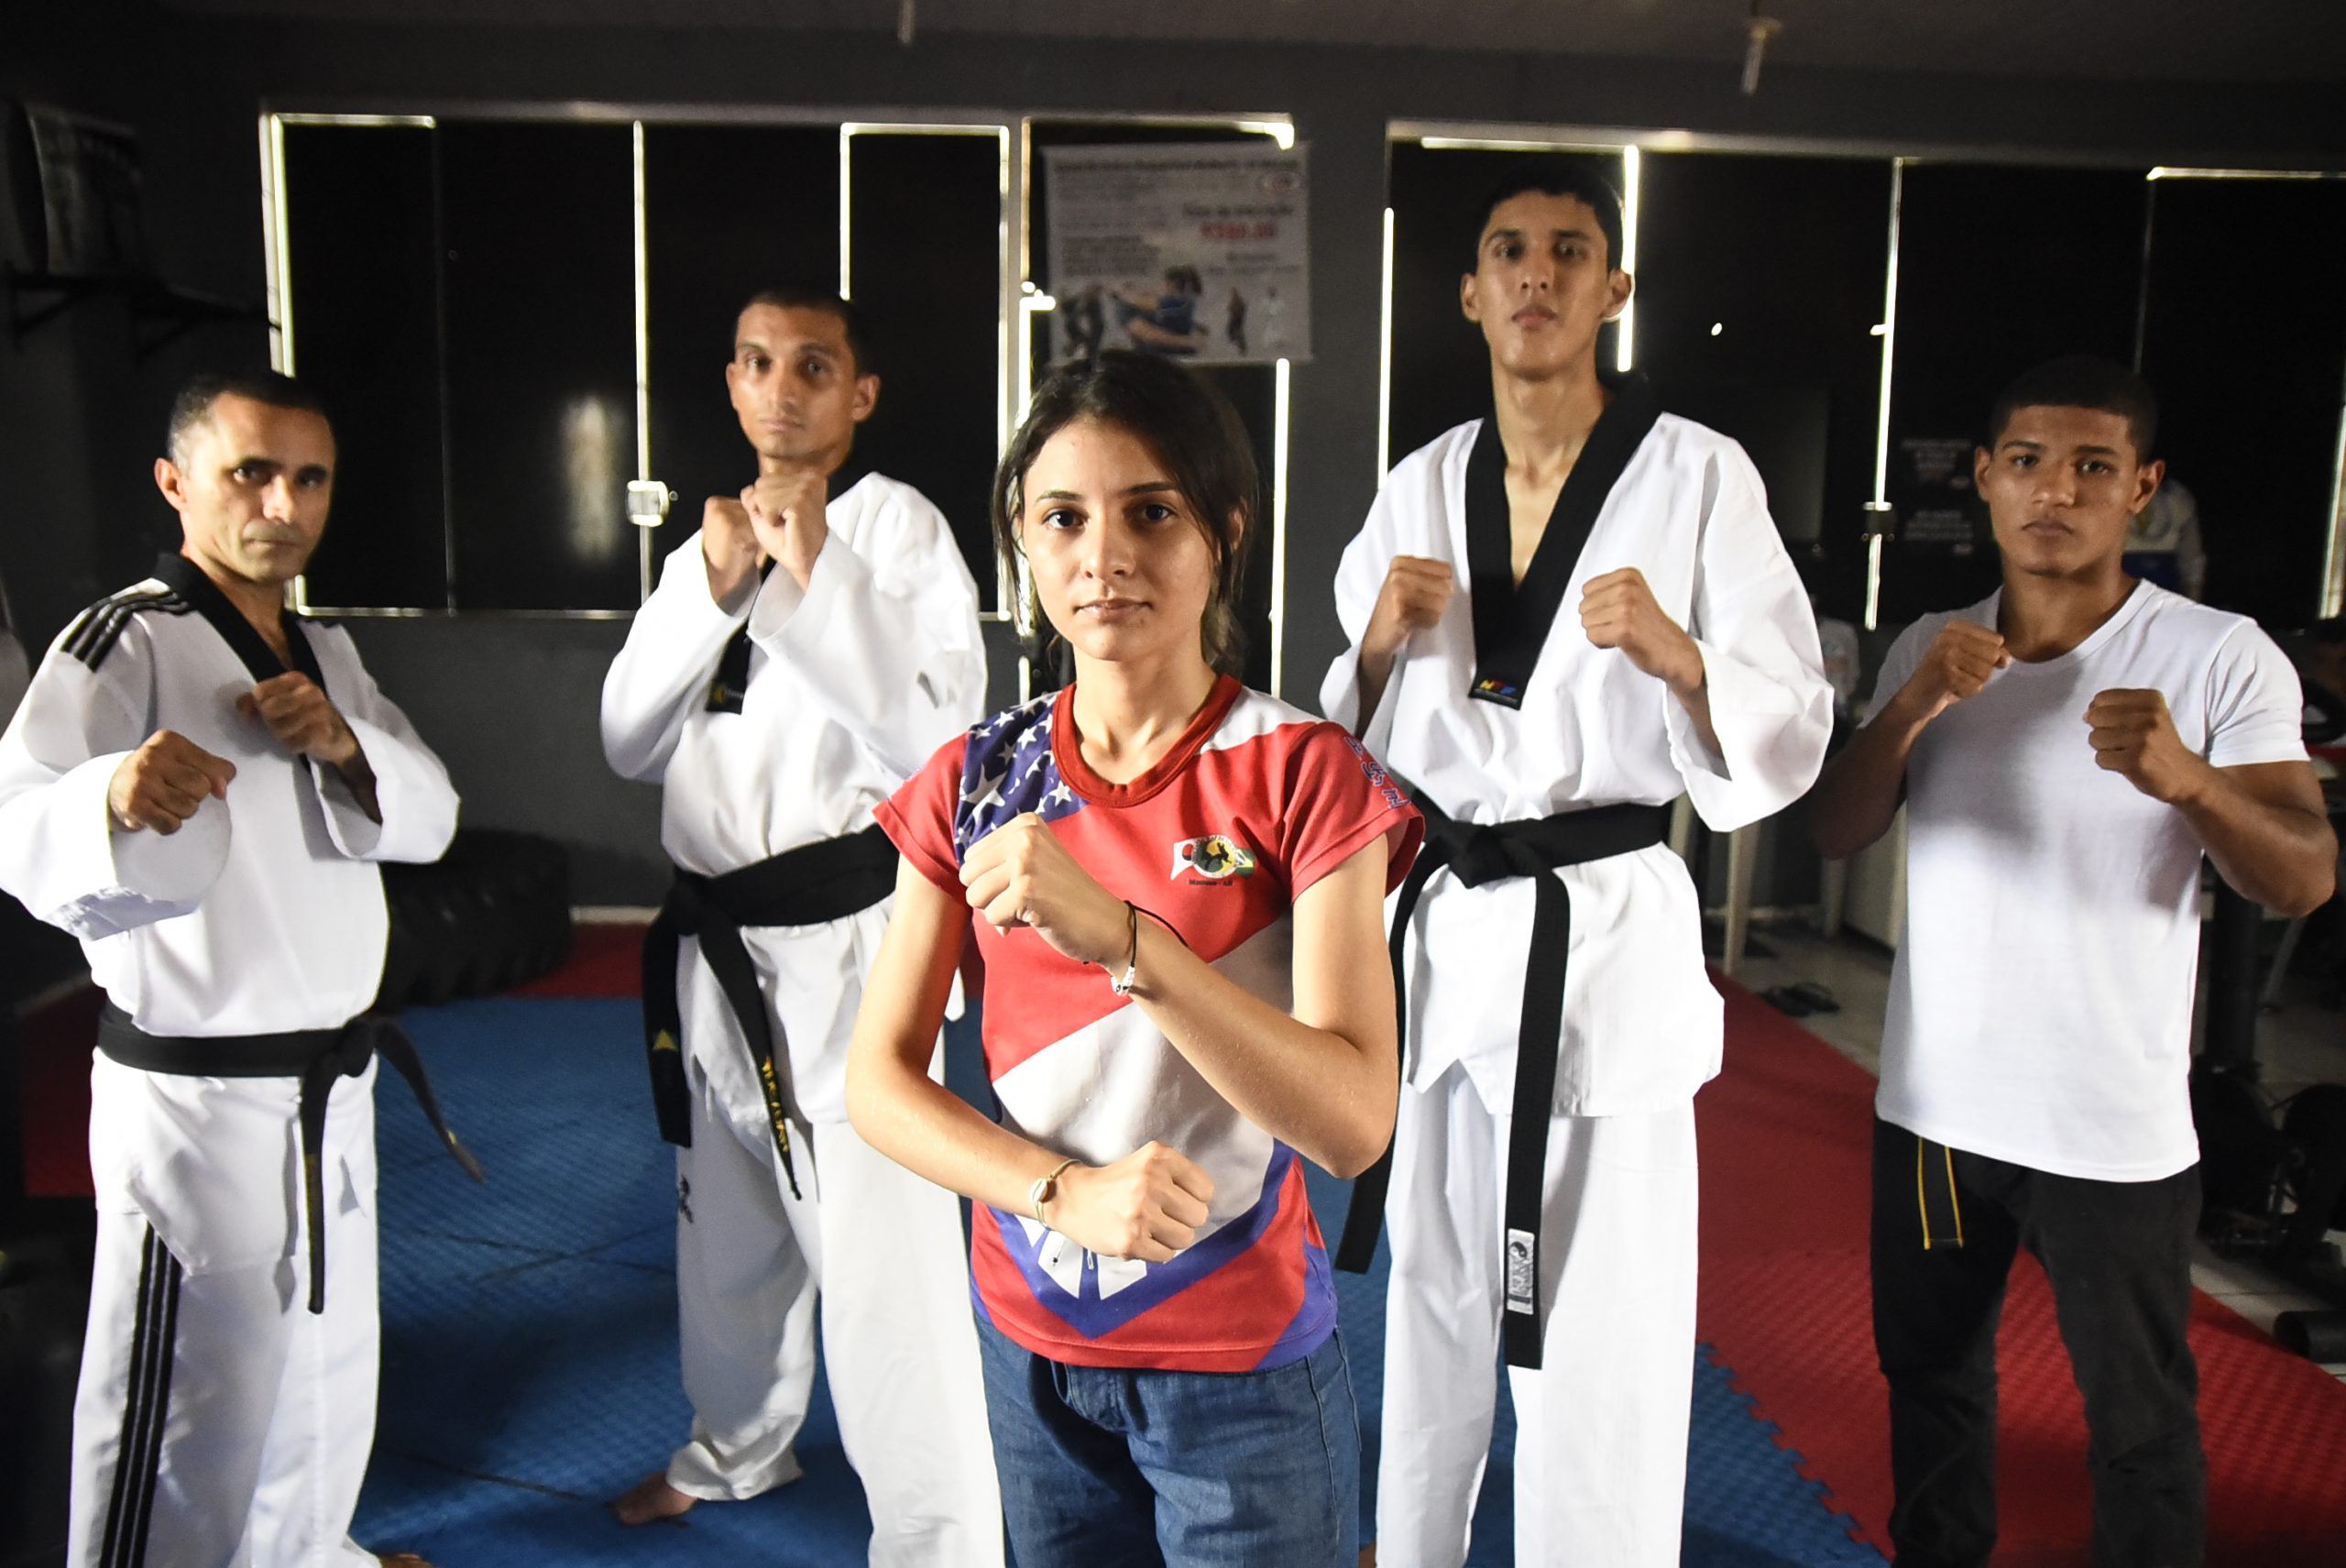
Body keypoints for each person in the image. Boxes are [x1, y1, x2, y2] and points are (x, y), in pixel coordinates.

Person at [1321, 164, 1832, 1567]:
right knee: (1428, 1276)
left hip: (1598, 930)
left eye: (1569, 251)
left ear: (1613, 290)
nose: (1536, 273)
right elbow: (1345, 726)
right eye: (1508, 251)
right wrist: (1372, 645)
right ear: (1473, 292)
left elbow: (1789, 712)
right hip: (1441, 924)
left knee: (1597, 1313)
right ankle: (1411, 1542)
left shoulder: (1698, 472)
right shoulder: (1422, 479)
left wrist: (1681, 655)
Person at [848, 349, 1422, 1568]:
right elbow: (877, 1084)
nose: (1101, 554)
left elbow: (1354, 1119)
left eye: (1150, 511)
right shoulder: (976, 776)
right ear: (1023, 540)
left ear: (1224, 531)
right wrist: (1058, 1192)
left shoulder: (1305, 771)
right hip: (1031, 1341)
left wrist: (1128, 939)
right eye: (1063, 516)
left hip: (1244, 1360)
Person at [1809, 356, 2334, 1568]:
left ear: (2142, 490)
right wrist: (1909, 707)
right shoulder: (1930, 649)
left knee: (2137, 1419)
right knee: (1931, 1381)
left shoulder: (2217, 655)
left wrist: (2189, 779)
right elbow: (1835, 831)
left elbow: (2301, 874)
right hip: (1937, 1112)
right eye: (2030, 462)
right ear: (1988, 478)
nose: (2058, 490)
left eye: (2094, 466)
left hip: (2111, 1123)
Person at [0, 370, 466, 1568]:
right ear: (176, 483)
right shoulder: (123, 637)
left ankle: (307, 1554)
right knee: (183, 1403)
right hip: (195, 1101)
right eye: (248, 472)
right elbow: (12, 814)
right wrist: (103, 795)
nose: (282, 502)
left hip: (332, 1087)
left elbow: (433, 817)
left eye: (308, 476)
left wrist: (345, 740)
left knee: (322, 1360)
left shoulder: (326, 649)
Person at [597, 286, 1001, 1560]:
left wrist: (812, 567)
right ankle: (735, 1452)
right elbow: (624, 738)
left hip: (848, 953)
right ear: (729, 382)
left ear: (859, 395)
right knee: (729, 1229)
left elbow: (939, 740)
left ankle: (941, 1535)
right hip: (714, 951)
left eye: (814, 366)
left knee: (885, 1265)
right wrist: (715, 588)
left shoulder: (899, 531)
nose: (782, 388)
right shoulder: (702, 547)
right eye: (759, 363)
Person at [2123, 474, 2208, 599]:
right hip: (2121, 576)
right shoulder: (2115, 490)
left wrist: (2193, 596)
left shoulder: (2178, 496)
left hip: (2166, 582)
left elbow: (2191, 554)